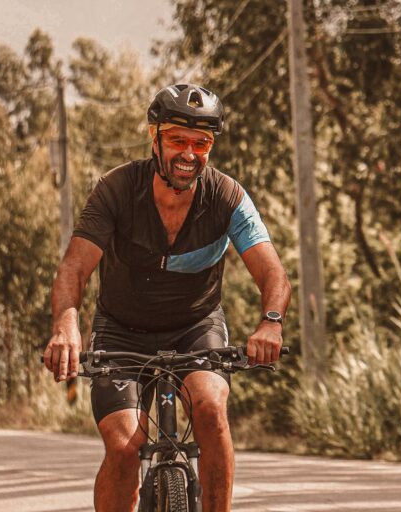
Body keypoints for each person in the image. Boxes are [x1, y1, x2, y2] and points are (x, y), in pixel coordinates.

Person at [42, 83, 291, 512]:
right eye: (178, 139)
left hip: (197, 328)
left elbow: (273, 273)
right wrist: (66, 325)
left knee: (211, 411)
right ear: (155, 138)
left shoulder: (228, 197)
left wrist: (270, 321)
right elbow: (75, 268)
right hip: (121, 331)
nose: (189, 152)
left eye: (202, 142)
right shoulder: (116, 190)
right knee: (124, 446)